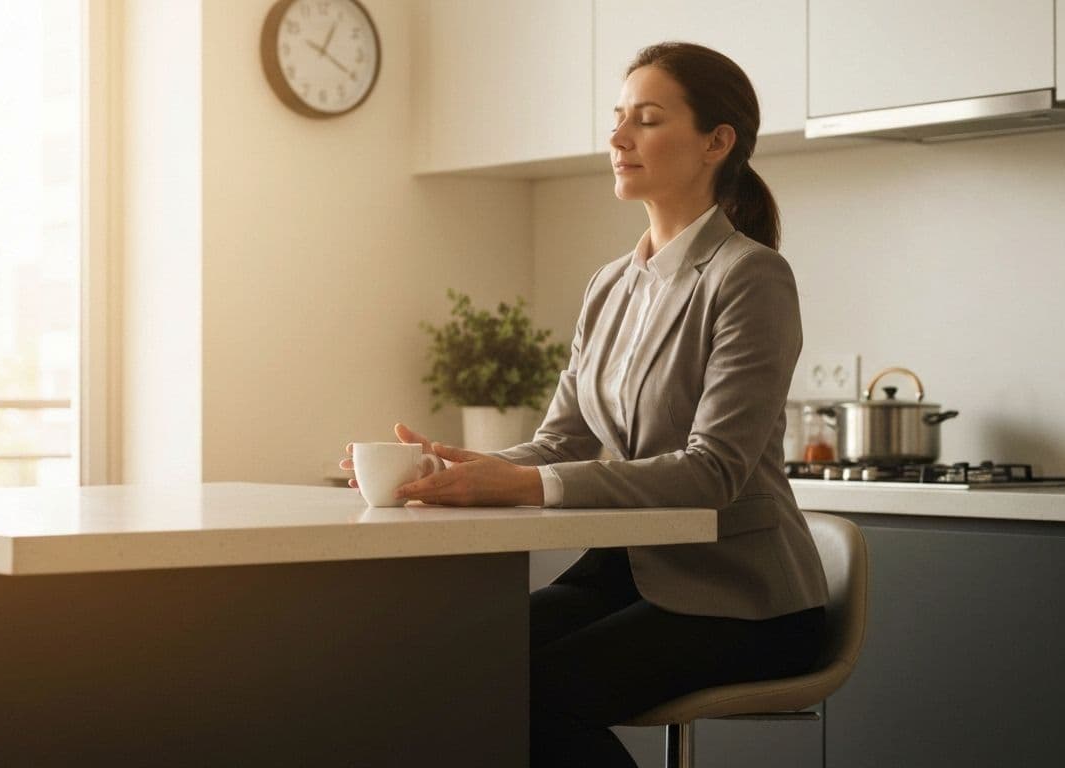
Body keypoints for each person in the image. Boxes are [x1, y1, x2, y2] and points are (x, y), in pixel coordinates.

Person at [340, 42, 829, 766]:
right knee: (449, 669)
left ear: (716, 143)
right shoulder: (611, 285)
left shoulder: (750, 277)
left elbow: (713, 471)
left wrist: (520, 483)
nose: (619, 137)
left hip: (743, 597)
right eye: (618, 117)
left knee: (535, 692)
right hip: (629, 576)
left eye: (649, 119)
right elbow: (558, 444)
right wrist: (452, 470)